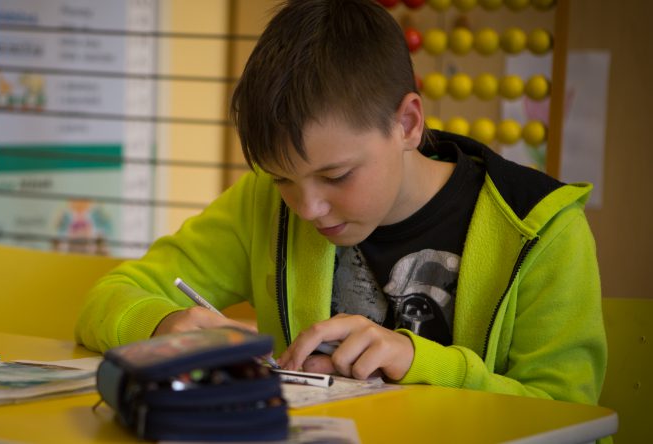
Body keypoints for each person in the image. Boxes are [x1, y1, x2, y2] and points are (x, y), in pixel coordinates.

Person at [75, 0, 605, 406]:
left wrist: (423, 362)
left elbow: (567, 416)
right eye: (282, 178)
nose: (308, 208)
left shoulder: (539, 229)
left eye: (336, 175)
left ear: (408, 123)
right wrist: (165, 326)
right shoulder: (265, 206)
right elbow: (111, 297)